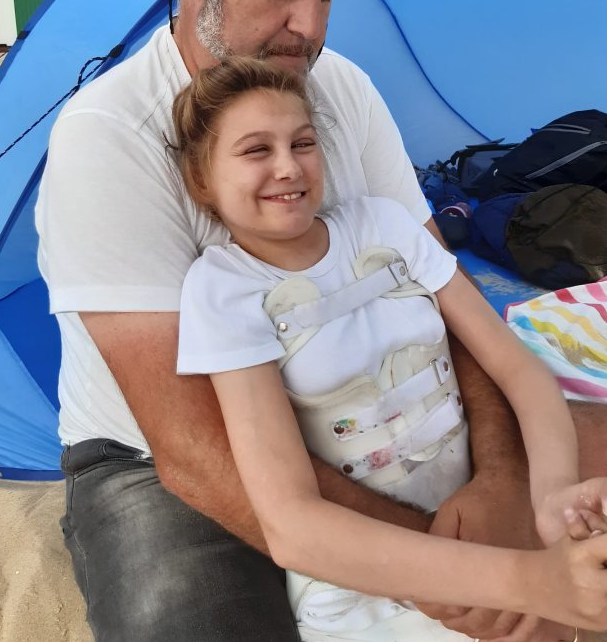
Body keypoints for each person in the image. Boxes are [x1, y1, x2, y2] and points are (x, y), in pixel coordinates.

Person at [35, 0, 606, 642]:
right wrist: (446, 563)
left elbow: (440, 293)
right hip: (163, 460)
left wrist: (500, 478)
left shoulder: (338, 90)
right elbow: (193, 449)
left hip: (376, 407)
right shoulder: (109, 134)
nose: (308, 27)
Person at [173, 56, 607, 641]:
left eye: (303, 143)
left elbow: (516, 368)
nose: (288, 167)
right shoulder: (224, 290)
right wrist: (525, 580)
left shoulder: (383, 226)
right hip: (367, 576)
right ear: (201, 179)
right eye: (256, 150)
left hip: (488, 513)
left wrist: (552, 497)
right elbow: (291, 524)